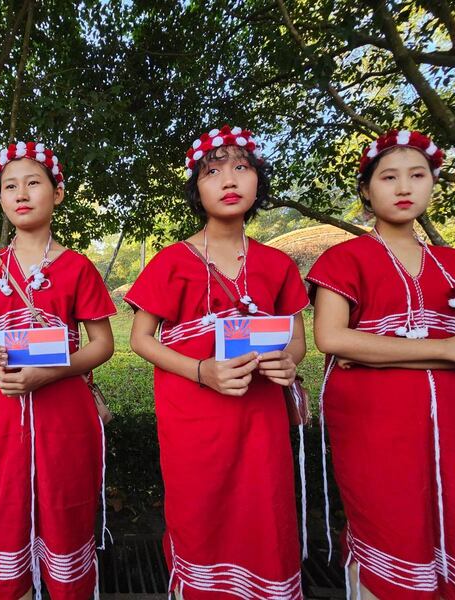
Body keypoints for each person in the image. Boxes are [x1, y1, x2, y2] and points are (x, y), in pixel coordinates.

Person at [126, 126, 308, 599]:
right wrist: (201, 371)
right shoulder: (171, 261)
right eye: (213, 171)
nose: (229, 180)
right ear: (196, 188)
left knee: (265, 517)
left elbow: (296, 340)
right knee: (200, 519)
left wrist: (287, 365)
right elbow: (140, 339)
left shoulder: (277, 265)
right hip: (193, 422)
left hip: (261, 422)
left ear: (257, 180)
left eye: (241, 168)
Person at [308, 129, 455, 599]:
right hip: (373, 426)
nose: (404, 188)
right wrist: (448, 349)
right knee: (389, 519)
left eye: (417, 176)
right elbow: (331, 338)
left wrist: (372, 353)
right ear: (367, 190)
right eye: (389, 177)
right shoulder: (343, 259)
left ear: (433, 183)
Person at [0, 141, 115, 600]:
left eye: (34, 183)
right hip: (0, 411)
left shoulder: (77, 268)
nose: (21, 194)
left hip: (64, 414)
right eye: (10, 186)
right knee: (3, 509)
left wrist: (52, 373)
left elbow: (103, 346)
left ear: (58, 193)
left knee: (64, 510)